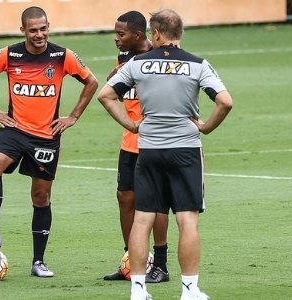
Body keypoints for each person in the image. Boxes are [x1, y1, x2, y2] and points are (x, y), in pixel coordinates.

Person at [97, 8, 233, 300]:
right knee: (187, 221)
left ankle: (137, 290)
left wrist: (132, 125)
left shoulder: (138, 64)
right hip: (185, 150)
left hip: (148, 150)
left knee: (142, 219)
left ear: (155, 33)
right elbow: (225, 101)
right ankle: (189, 291)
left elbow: (105, 95)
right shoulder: (198, 65)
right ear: (180, 34)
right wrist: (205, 127)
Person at [0, 6, 98, 277]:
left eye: (43, 29)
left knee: (41, 197)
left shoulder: (63, 56)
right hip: (15, 129)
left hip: (47, 136)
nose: (39, 34)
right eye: (33, 30)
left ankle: (38, 262)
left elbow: (91, 82)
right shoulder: (10, 53)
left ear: (48, 27)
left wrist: (73, 116)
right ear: (23, 31)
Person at [102, 11, 170, 284]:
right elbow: (113, 91)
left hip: (155, 142)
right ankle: (131, 260)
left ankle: (161, 265)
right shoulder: (124, 58)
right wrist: (117, 73)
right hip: (129, 142)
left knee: (158, 204)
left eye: (121, 34)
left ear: (138, 35)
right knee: (124, 197)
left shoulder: (160, 57)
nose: (116, 39)